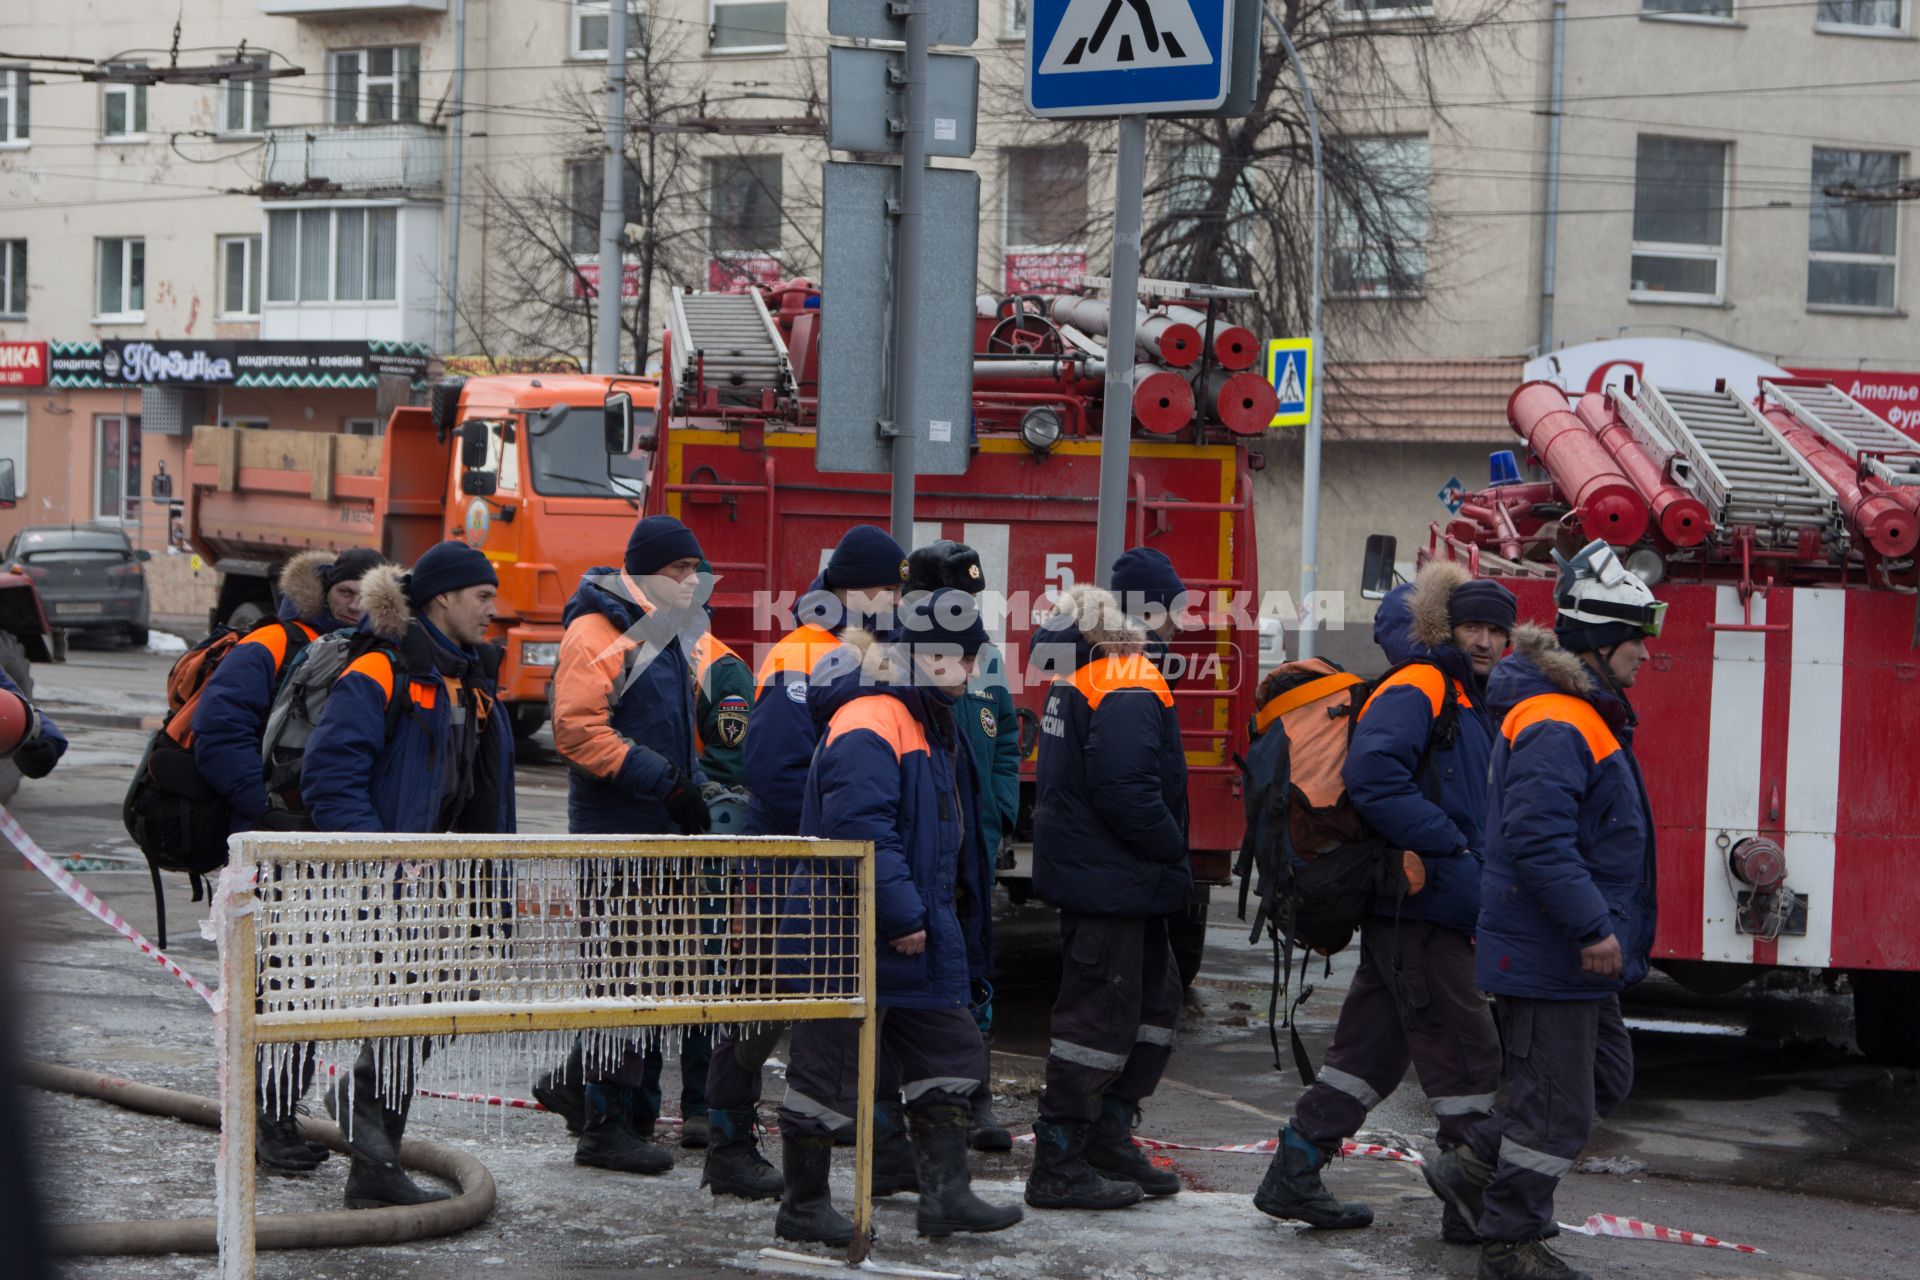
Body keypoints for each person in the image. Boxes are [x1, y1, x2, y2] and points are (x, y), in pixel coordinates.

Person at [1253, 561, 1512, 1240]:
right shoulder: (1424, 685)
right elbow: (1373, 774)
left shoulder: (1466, 696)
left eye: (1497, 629)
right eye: (1473, 626)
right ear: (1441, 629)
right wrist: (1450, 846)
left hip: (1426, 905)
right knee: (1467, 1054)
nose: (1486, 640)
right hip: (1422, 906)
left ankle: (1295, 1169)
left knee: (1369, 1051)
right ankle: (1476, 1202)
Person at [1424, 539, 1660, 1280]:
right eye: (1638, 643)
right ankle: (1510, 1239)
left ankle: (1470, 1171)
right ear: (1600, 642)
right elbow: (1537, 839)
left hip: (1565, 948)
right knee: (1556, 1107)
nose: (1645, 657)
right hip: (1555, 946)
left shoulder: (1578, 712)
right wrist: (1592, 926)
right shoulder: (1559, 719)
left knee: (1601, 1078)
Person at [772, 588, 1024, 1245]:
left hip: (905, 925)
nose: (974, 673)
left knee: (950, 1049)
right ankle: (803, 1204)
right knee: (824, 1072)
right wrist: (905, 914)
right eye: (965, 661)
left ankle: (946, 1195)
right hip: (851, 928)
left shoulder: (920, 716)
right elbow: (859, 831)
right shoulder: (876, 717)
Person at [300, 542, 517, 1209]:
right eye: (482, 595)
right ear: (443, 598)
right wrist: (385, 862)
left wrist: (491, 901)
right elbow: (329, 777)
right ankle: (371, 1163)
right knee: (403, 1017)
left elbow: (484, 799)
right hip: (389, 880)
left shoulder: (468, 679)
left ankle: (367, 1139)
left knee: (427, 1016)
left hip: (437, 883)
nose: (492, 609)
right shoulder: (379, 668)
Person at [701, 524, 909, 1202]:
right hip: (789, 857)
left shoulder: (857, 650)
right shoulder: (805, 653)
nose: (899, 603)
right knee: (761, 999)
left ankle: (864, 1134)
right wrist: (823, 839)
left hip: (817, 861)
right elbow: (775, 768)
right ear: (861, 589)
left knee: (838, 1001)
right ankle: (728, 1141)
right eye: (892, 590)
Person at [190, 547, 386, 1174]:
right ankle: (261, 1121)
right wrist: (267, 811)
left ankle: (275, 1114)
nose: (354, 605)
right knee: (274, 988)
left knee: (306, 988)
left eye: (367, 594)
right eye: (345, 592)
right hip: (271, 848)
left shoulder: (370, 657)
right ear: (324, 591)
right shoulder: (272, 643)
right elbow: (218, 733)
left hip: (320, 847)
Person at [541, 515, 714, 1177]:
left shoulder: (661, 634)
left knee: (648, 972)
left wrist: (686, 791)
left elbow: (671, 733)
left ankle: (612, 1106)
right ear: (643, 572)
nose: (691, 581)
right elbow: (578, 732)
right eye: (679, 570)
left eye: (695, 570)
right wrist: (667, 783)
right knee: (621, 974)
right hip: (618, 833)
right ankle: (605, 1123)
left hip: (650, 829)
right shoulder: (598, 631)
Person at [1024, 584, 1188, 1213]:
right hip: (1115, 881)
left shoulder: (1084, 672)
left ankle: (1104, 1135)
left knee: (1149, 1006)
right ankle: (1061, 1158)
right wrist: (1172, 847)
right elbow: (1127, 789)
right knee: (1097, 1022)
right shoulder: (1126, 678)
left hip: (1117, 882)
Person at [903, 540, 1017, 1152]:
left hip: (972, 847)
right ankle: (911, 1099)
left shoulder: (984, 660)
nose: (966, 610)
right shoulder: (900, 664)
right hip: (922, 852)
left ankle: (977, 1096)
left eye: (971, 599)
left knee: (975, 966)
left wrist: (999, 815)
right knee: (917, 975)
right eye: (955, 599)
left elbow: (1004, 745)